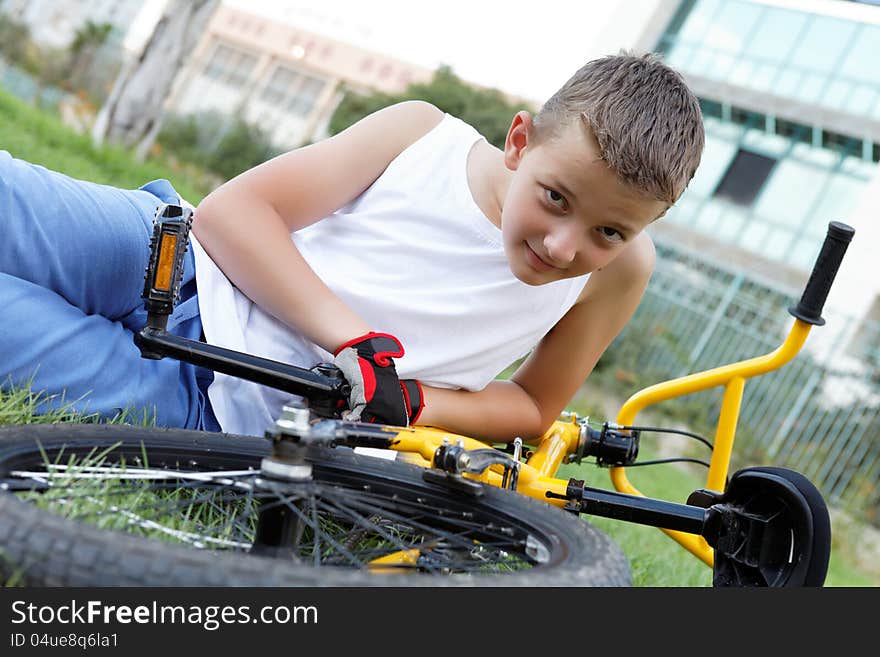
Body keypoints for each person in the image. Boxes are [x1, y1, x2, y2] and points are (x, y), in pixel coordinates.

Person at [0, 51, 704, 442]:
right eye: (556, 197)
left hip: (214, 409)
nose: (563, 245)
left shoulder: (619, 275)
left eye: (610, 232)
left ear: (646, 225)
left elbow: (530, 407)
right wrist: (355, 341)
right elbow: (232, 214)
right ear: (521, 141)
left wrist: (416, 401)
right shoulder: (422, 133)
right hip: (169, 259)